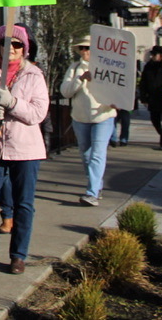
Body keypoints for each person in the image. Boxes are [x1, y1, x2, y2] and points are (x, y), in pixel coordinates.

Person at [0, 24, 49, 275]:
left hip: (25, 149)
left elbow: (38, 113)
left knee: (23, 203)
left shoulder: (34, 75)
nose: (12, 49)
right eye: (6, 43)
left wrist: (13, 104)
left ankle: (18, 255)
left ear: (25, 48)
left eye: (17, 44)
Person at [59, 38, 117, 206]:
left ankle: (92, 192)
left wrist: (116, 101)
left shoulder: (106, 67)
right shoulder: (74, 68)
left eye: (88, 48)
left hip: (103, 115)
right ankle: (96, 185)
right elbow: (65, 92)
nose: (85, 51)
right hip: (80, 117)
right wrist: (80, 79)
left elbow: (116, 88)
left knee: (97, 153)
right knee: (86, 154)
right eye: (82, 48)